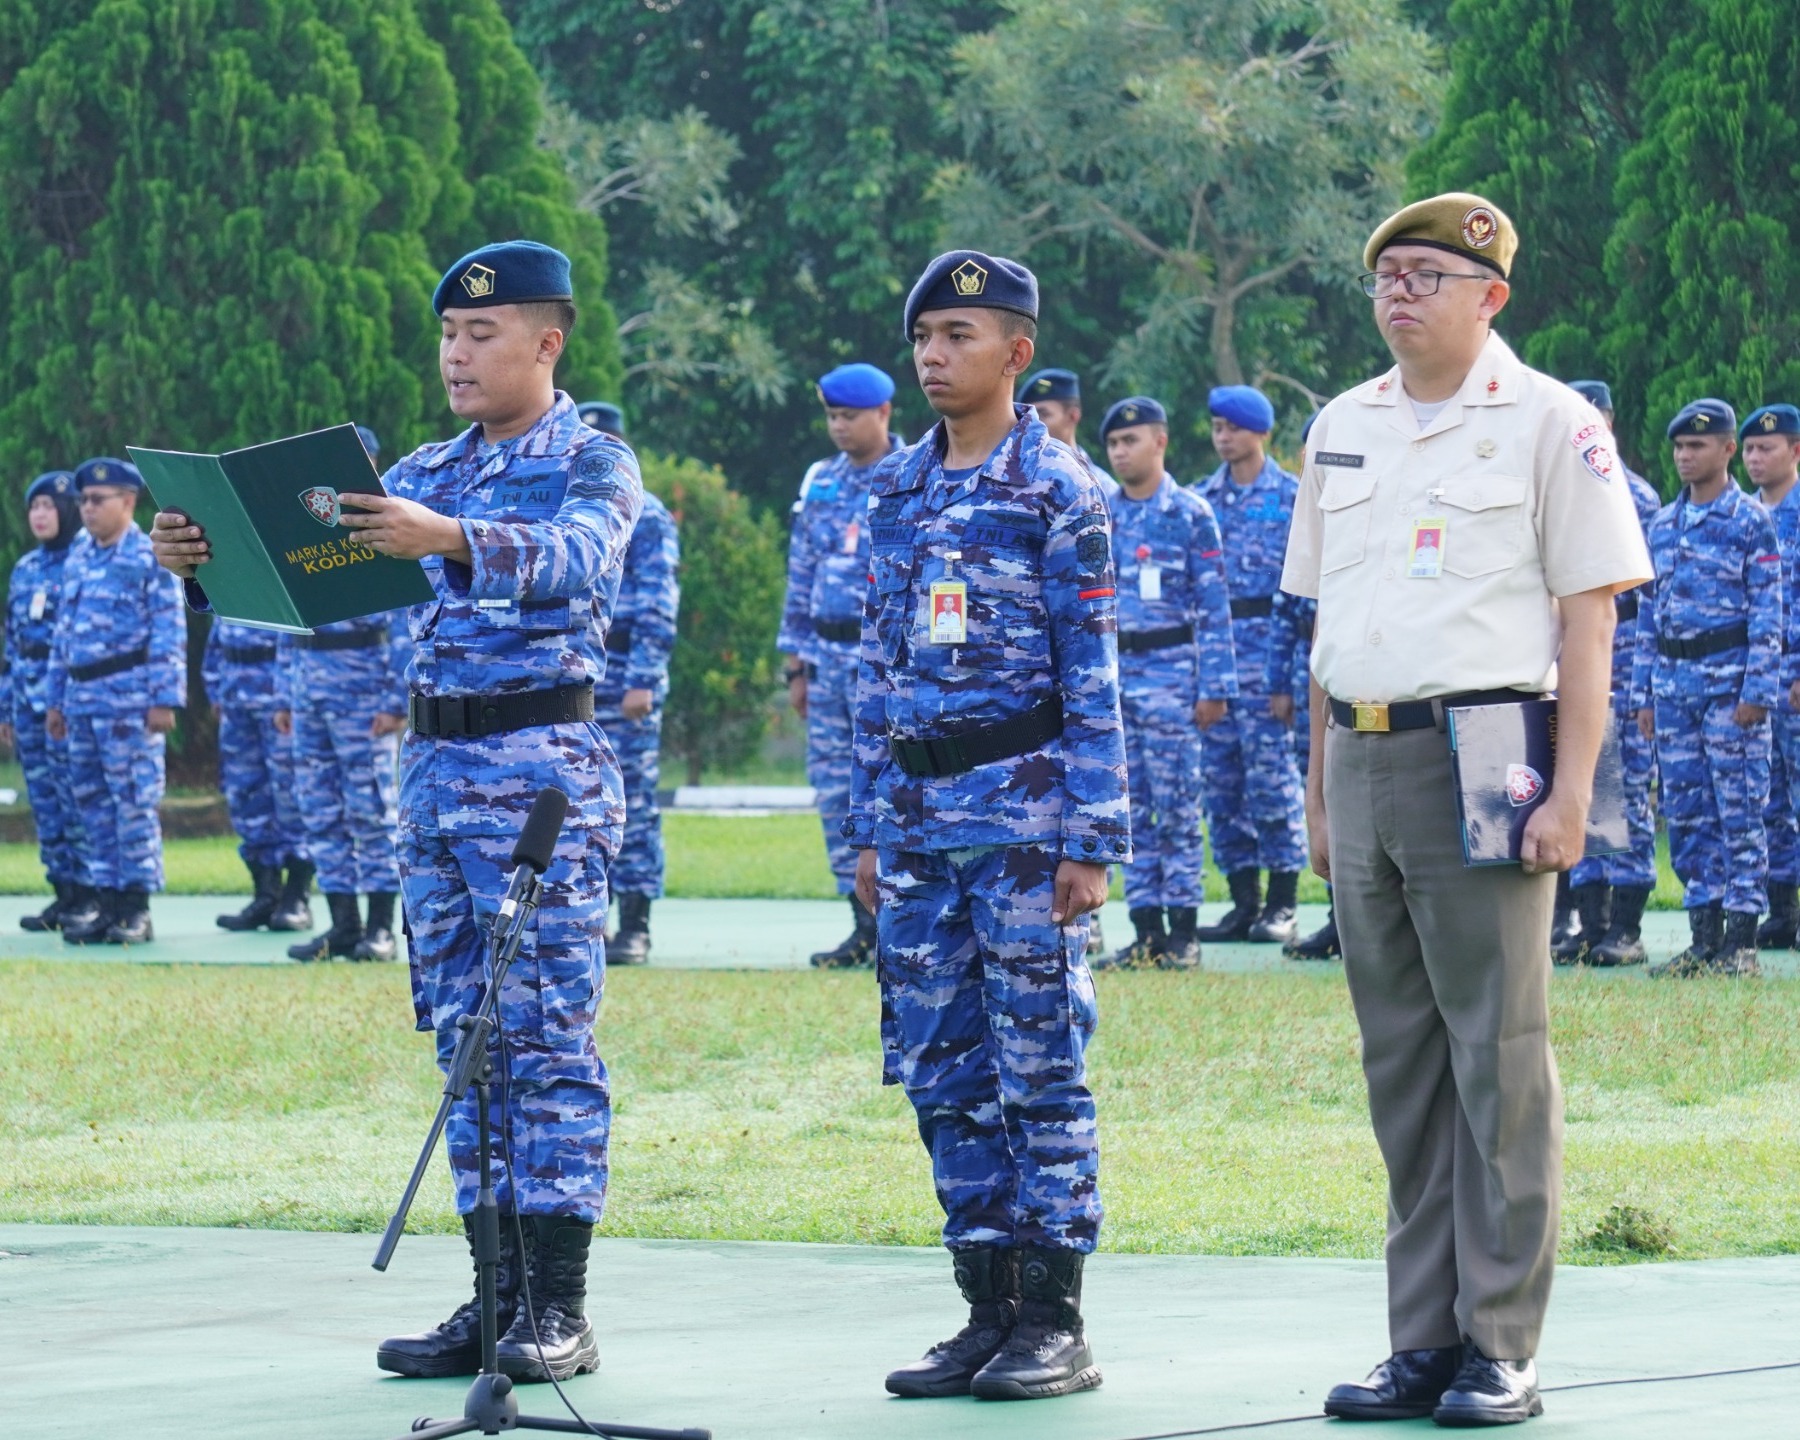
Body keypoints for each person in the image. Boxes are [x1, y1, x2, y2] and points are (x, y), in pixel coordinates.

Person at [153, 238, 644, 1384]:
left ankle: (559, 1308)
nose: (456, 354)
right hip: (430, 785)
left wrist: (450, 537)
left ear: (547, 342)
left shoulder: (593, 460)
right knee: (466, 1045)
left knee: (545, 1040)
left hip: (538, 778)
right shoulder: (427, 467)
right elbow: (306, 584)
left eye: (482, 334)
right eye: (448, 336)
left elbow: (579, 556)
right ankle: (495, 1296)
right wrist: (202, 560)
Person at [1284, 193, 1650, 1426]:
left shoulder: (1552, 423)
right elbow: (1325, 630)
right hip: (1361, 752)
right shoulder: (1342, 425)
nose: (1399, 292)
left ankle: (1501, 1343)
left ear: (1491, 296)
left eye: (1426, 275)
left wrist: (1573, 795)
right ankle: (1423, 1342)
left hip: (1487, 753)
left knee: (1498, 1058)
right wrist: (1318, 793)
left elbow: (1588, 623)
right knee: (1401, 1063)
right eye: (1387, 274)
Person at [849, 249, 1125, 1402]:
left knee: (1039, 1068)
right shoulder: (895, 490)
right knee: (941, 1071)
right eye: (923, 336)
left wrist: (1091, 840)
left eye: (958, 336)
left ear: (1016, 353)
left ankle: (1054, 1320)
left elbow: (1092, 673)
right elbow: (876, 667)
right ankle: (986, 1308)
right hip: (917, 822)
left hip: (1023, 822)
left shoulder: (1059, 489)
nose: (932, 355)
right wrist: (869, 826)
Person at [1633, 398, 1781, 978]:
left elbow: (1768, 612)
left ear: (1726, 450)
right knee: (1688, 814)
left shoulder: (1750, 521)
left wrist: (1757, 691)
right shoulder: (1663, 524)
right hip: (1674, 689)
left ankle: (1740, 942)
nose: (1684, 456)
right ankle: (1704, 938)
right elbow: (1649, 615)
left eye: (1696, 445)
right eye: (1678, 446)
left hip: (1730, 688)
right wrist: (1645, 696)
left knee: (1739, 811)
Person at [1094, 395, 1236, 968]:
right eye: (1113, 443)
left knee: (1177, 808)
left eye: (1130, 441)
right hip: (1116, 680)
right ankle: (1146, 930)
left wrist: (1216, 686)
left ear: (1160, 441)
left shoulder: (1191, 513)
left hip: (1174, 677)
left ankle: (1184, 933)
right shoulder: (1102, 513)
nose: (1120, 452)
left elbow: (1214, 606)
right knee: (1129, 809)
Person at [778, 362, 901, 967]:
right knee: (834, 791)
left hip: (884, 660)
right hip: (826, 661)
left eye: (849, 416)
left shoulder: (910, 474)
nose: (838, 426)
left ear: (883, 413)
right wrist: (795, 667)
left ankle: (901, 922)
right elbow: (801, 571)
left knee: (891, 788)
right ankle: (862, 923)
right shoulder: (821, 480)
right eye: (831, 416)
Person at [48, 458, 188, 945]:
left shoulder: (148, 555)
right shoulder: (78, 554)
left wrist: (164, 699)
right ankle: (106, 904)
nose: (87, 508)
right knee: (92, 804)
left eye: (97, 500)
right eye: (83, 500)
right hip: (81, 698)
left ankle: (135, 909)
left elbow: (168, 627)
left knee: (132, 805)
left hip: (129, 701)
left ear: (128, 501)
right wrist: (55, 701)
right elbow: (63, 634)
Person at [1554, 379, 1663, 966]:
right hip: (1567, 662)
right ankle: (1589, 923)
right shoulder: (1556, 491)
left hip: (1621, 663)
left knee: (1627, 794)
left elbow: (1650, 602)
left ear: (1608, 423)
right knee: (1584, 791)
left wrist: (1642, 682)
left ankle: (1626, 927)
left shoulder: (1634, 496)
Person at [1194, 385, 1308, 944]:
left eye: (1234, 428)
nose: (1224, 437)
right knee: (1221, 784)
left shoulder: (1292, 497)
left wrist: (1284, 677)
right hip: (1216, 657)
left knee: (1272, 782)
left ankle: (1282, 903)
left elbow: (1300, 588)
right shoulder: (1200, 500)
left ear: (1261, 432)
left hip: (1268, 654)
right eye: (1218, 428)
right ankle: (1244, 902)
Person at [591, 405, 681, 965]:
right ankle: (589, 919)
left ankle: (636, 923)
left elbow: (657, 603)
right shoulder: (569, 509)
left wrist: (643, 681)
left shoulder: (646, 514)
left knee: (635, 804)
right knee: (578, 807)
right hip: (577, 679)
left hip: (626, 677)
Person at [273, 608, 409, 960]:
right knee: (319, 812)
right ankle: (344, 926)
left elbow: (403, 621)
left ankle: (380, 929)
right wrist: (283, 696)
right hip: (307, 696)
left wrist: (397, 700)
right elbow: (285, 619)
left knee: (372, 813)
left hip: (363, 699)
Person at [2, 470, 89, 932]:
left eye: (48, 506)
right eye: (33, 507)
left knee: (77, 799)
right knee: (45, 801)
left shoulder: (85, 560)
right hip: (27, 704)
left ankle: (91, 894)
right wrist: (5, 707)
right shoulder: (25, 568)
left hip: (68, 705)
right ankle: (64, 893)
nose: (39, 515)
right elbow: (11, 646)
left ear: (68, 510)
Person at [204, 618, 315, 933]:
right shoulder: (234, 587)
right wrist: (215, 688)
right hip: (235, 696)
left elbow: (298, 639)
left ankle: (296, 897)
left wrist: (290, 695)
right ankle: (265, 895)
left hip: (279, 697)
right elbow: (217, 636)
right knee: (246, 794)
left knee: (290, 793)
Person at [1741, 403, 1800, 949]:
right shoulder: (1743, 516)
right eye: (1750, 449)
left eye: (1767, 447)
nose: (1755, 458)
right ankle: (1783, 911)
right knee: (1771, 800)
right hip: (1756, 681)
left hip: (1795, 676)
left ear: (1795, 450)